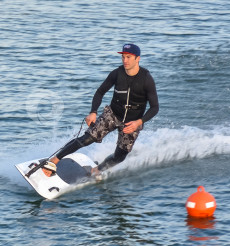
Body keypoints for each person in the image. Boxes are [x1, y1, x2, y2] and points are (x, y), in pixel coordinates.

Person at [42, 43, 159, 179]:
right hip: (113, 114)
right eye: (123, 57)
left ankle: (97, 170)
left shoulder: (146, 79)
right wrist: (93, 112)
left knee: (120, 156)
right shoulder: (116, 74)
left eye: (128, 57)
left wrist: (139, 122)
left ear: (137, 58)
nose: (125, 60)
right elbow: (100, 92)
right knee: (87, 139)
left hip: (132, 122)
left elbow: (155, 107)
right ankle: (54, 161)